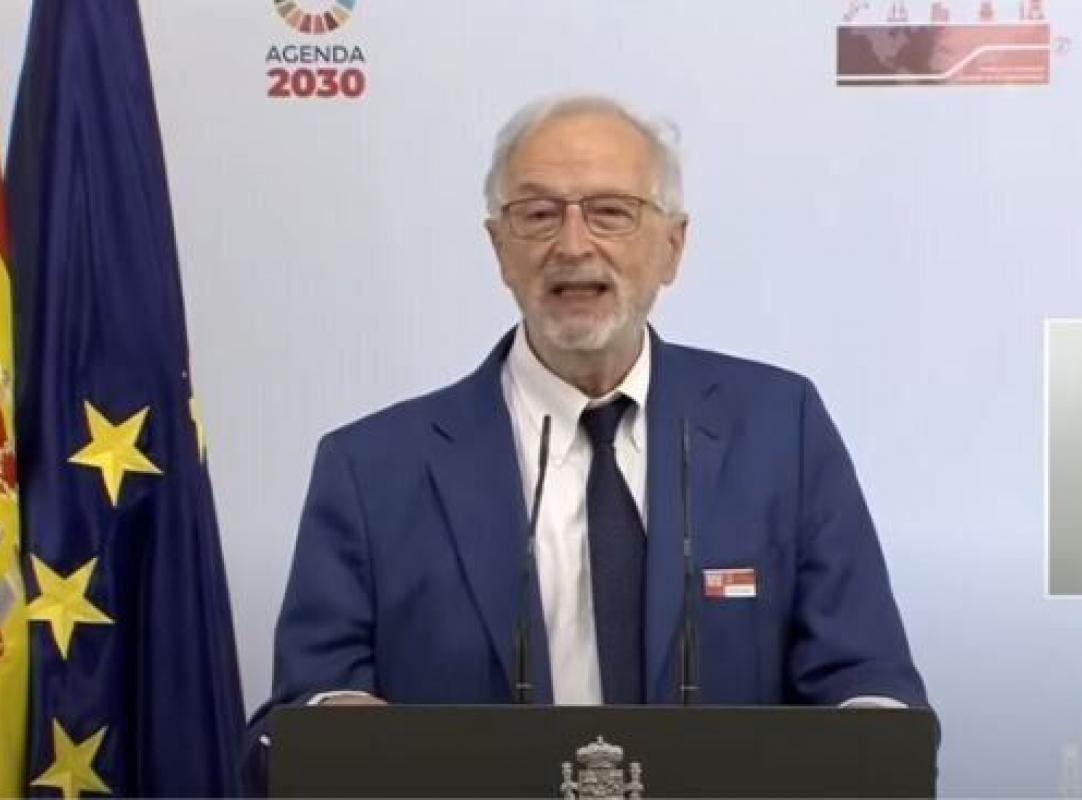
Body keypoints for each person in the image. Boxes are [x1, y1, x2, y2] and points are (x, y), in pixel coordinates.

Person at [246, 94, 928, 778]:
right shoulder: (372, 469)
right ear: (499, 248)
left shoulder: (781, 429)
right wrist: (334, 721)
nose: (573, 245)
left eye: (610, 212)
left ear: (672, 246)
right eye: (538, 214)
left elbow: (865, 678)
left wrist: (873, 739)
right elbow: (297, 719)